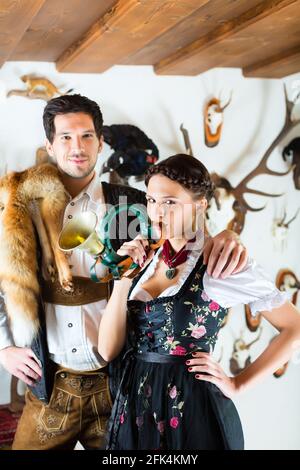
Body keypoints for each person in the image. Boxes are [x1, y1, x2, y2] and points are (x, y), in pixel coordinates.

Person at [0, 95, 248, 450]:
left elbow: (184, 231)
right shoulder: (18, 208)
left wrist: (229, 234)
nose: (77, 147)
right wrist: (3, 347)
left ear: (101, 143)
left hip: (121, 387)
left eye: (87, 136)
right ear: (49, 145)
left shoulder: (136, 204)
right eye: (66, 137)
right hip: (50, 388)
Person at [99, 154, 300, 450]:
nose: (156, 213)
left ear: (200, 205)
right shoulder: (144, 259)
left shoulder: (221, 263)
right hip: (136, 409)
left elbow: (294, 327)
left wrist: (238, 384)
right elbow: (107, 350)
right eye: (151, 201)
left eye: (169, 203)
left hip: (192, 412)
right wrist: (122, 279)